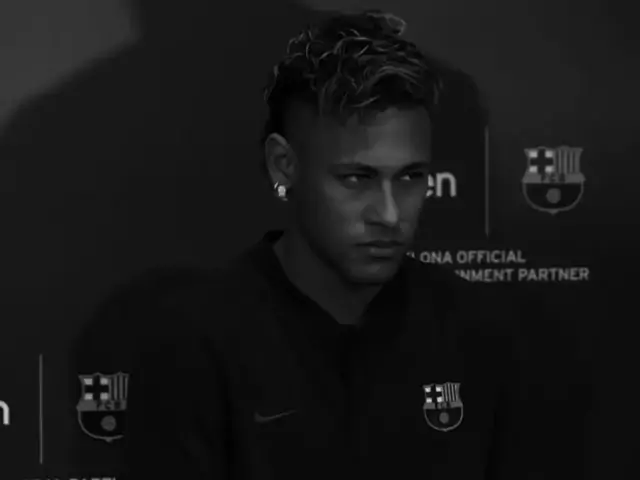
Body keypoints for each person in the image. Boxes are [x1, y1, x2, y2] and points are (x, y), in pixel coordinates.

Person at [123, 10, 539, 479]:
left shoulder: (482, 334)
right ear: (283, 165)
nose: (389, 214)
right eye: (357, 178)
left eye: (410, 177)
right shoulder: (195, 345)